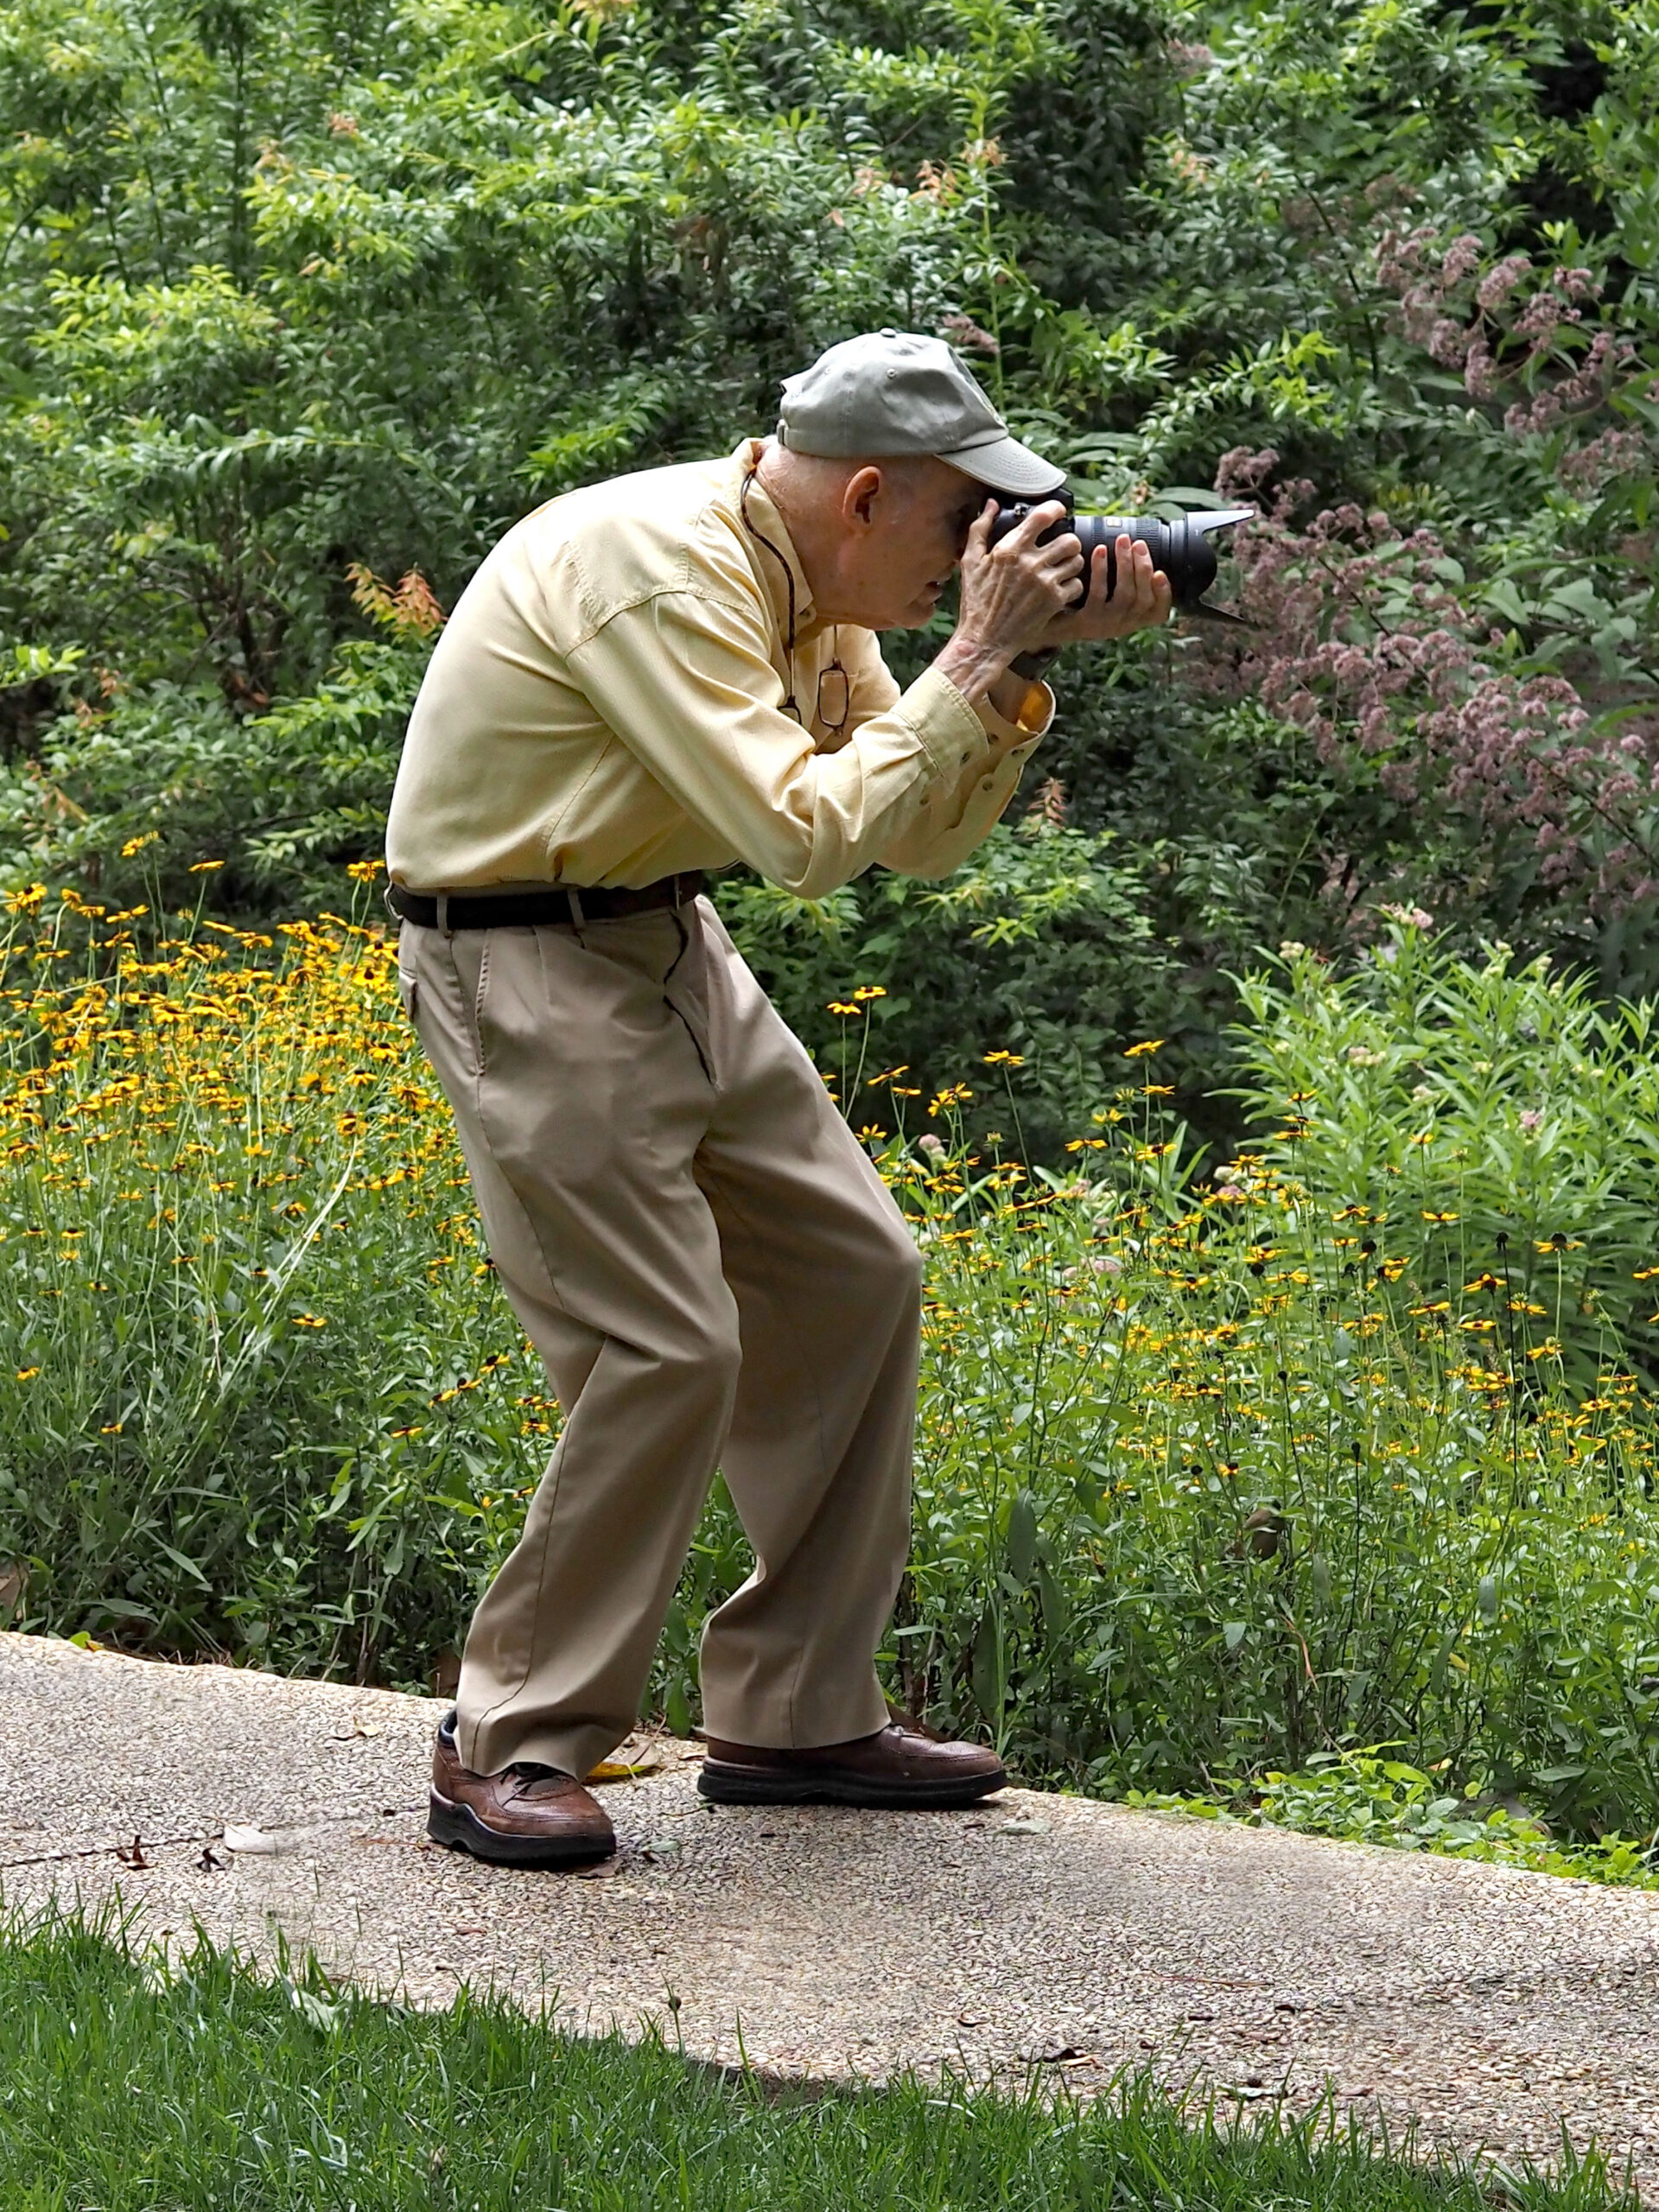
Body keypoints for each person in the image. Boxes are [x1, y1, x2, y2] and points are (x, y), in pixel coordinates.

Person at [385, 330, 1172, 1867]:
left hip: (662, 936)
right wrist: (966, 659)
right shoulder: (660, 572)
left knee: (855, 1268)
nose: (975, 560)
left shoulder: (818, 583)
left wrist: (1010, 670)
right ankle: (507, 1740)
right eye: (962, 527)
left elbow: (915, 839)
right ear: (869, 494)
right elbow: (810, 838)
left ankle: (796, 1711)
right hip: (521, 963)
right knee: (665, 1343)